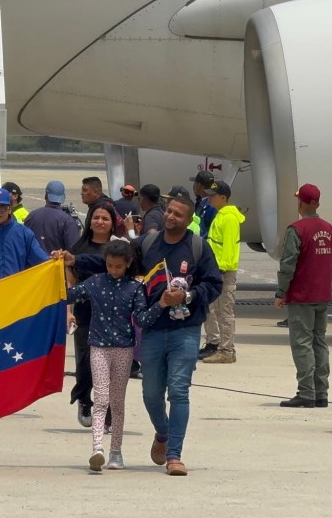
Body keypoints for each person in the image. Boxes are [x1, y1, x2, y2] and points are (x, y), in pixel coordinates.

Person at [61, 195, 224, 476]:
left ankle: (174, 455)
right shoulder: (147, 244)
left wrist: (187, 295)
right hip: (151, 330)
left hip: (184, 331)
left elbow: (214, 284)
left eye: (178, 214)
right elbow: (112, 261)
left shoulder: (198, 247)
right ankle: (163, 432)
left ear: (189, 220)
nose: (171, 217)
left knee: (179, 391)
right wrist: (76, 259)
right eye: (169, 212)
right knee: (151, 395)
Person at [65, 240, 158, 472]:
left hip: (124, 350)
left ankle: (116, 452)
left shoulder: (135, 288)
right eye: (109, 265)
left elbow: (143, 319)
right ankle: (97, 448)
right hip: (98, 347)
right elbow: (68, 295)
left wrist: (161, 304)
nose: (113, 270)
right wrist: (59, 268)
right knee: (101, 398)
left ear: (128, 264)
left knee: (117, 401)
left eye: (118, 266)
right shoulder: (96, 282)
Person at [273, 184, 332, 408]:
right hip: (322, 294)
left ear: (302, 203)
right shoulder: (330, 229)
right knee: (320, 342)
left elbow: (288, 263)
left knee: (302, 344)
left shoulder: (296, 229)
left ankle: (306, 392)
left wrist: (281, 292)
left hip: (302, 295)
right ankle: (322, 392)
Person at [65, 203, 119, 428]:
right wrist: (69, 311)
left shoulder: (118, 247)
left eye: (105, 218)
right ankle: (83, 398)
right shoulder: (78, 247)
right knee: (86, 361)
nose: (100, 222)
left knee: (109, 366)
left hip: (113, 313)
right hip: (85, 311)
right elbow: (70, 281)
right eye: (96, 217)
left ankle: (105, 409)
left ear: (112, 223)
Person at [200, 181, 244, 364]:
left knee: (224, 311)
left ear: (223, 197)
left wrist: (221, 269)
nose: (209, 198)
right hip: (216, 270)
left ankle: (227, 350)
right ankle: (221, 347)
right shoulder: (221, 215)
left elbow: (229, 248)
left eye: (212, 195)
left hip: (223, 271)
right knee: (216, 309)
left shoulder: (229, 218)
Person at [24, 180, 80, 255]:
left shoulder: (31, 216)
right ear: (63, 197)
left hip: (35, 266)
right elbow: (73, 250)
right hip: (56, 265)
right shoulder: (67, 221)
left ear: (45, 196)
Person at [189, 170, 216, 238]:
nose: (193, 186)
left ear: (199, 185)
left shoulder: (211, 206)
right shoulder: (200, 202)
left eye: (194, 183)